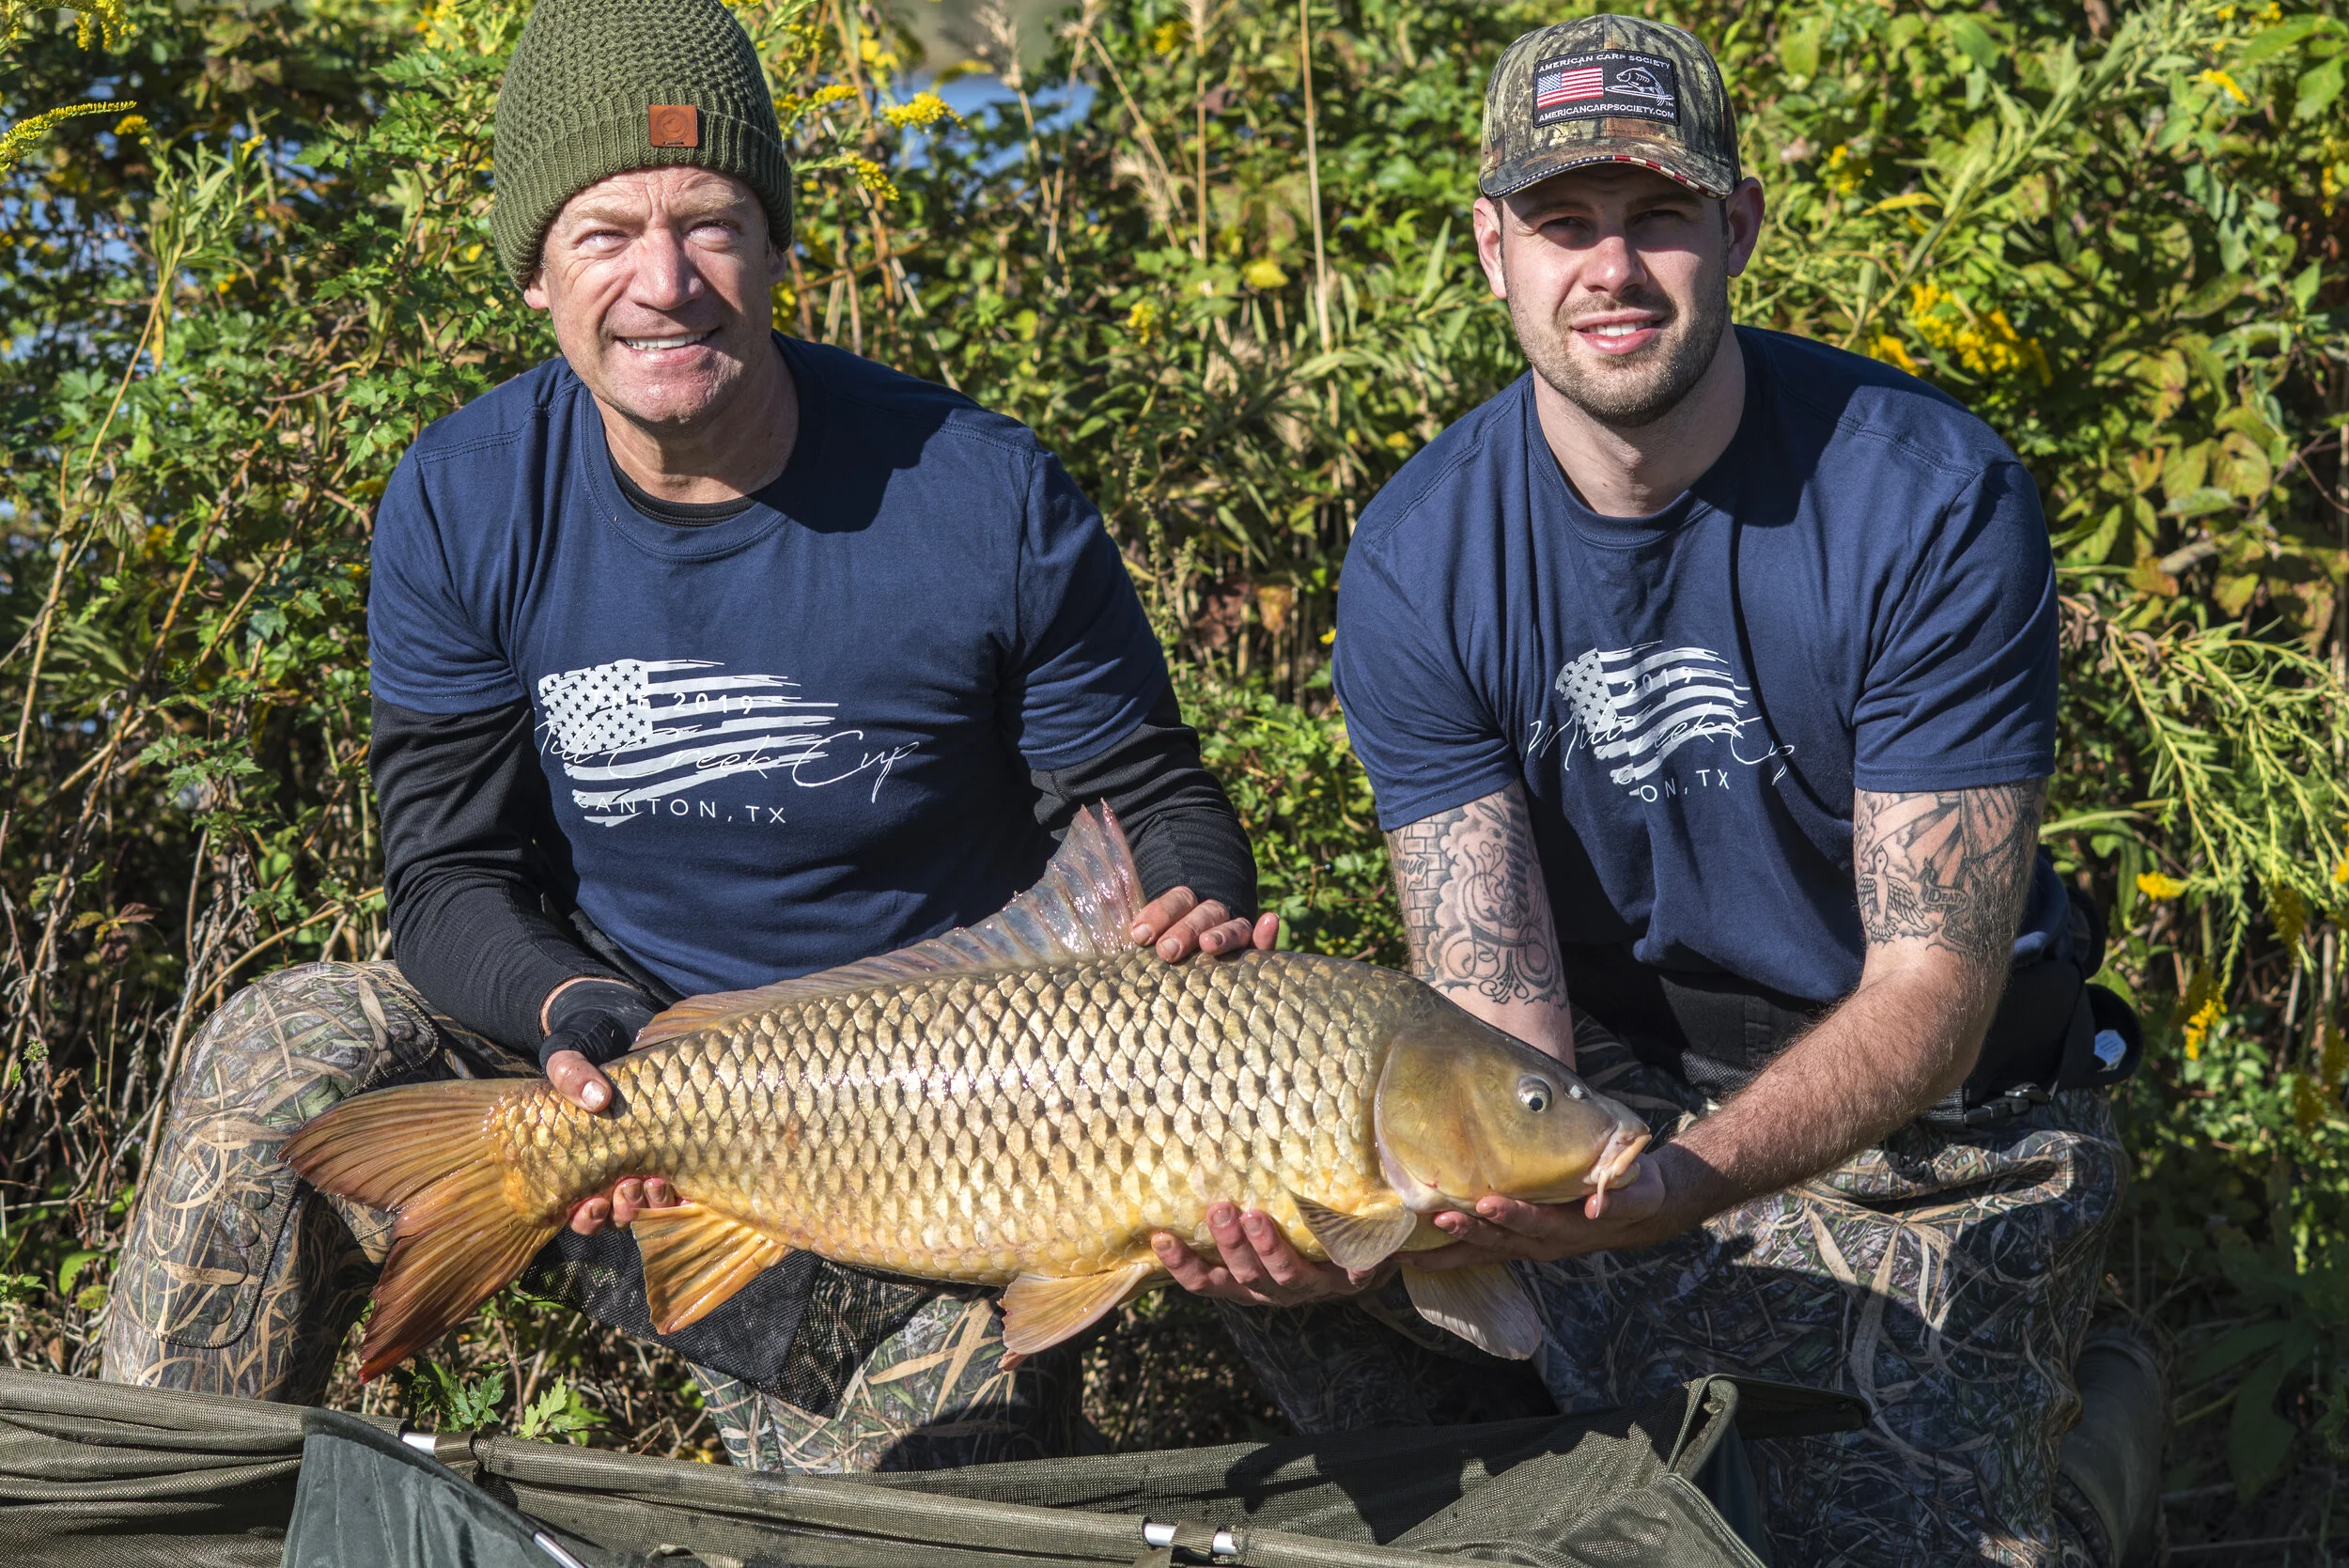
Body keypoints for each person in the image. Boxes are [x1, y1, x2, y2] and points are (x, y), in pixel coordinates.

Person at [100, 0, 1276, 1475]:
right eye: (605, 235)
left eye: (712, 224)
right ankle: (140, 1505)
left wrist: (1198, 919)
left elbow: (1151, 798)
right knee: (283, 1045)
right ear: (534, 272)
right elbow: (450, 882)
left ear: (781, 245)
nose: (666, 284)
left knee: (940, 1479)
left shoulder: (977, 493)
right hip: (610, 1067)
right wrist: (579, 1021)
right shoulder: (467, 497)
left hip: (923, 1129)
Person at [1151, 15, 2155, 1567]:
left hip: (1941, 1134)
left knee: (1881, 1542)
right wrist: (1426, 1215)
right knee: (1452, 1448)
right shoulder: (1420, 558)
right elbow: (1498, 1016)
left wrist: (1673, 1194)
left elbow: (1931, 991)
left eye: (1658, 217)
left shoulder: (1928, 496)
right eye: (1561, 224)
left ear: (1737, 227)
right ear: (1493, 249)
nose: (1608, 270)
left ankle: (2080, 1438)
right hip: (1615, 1109)